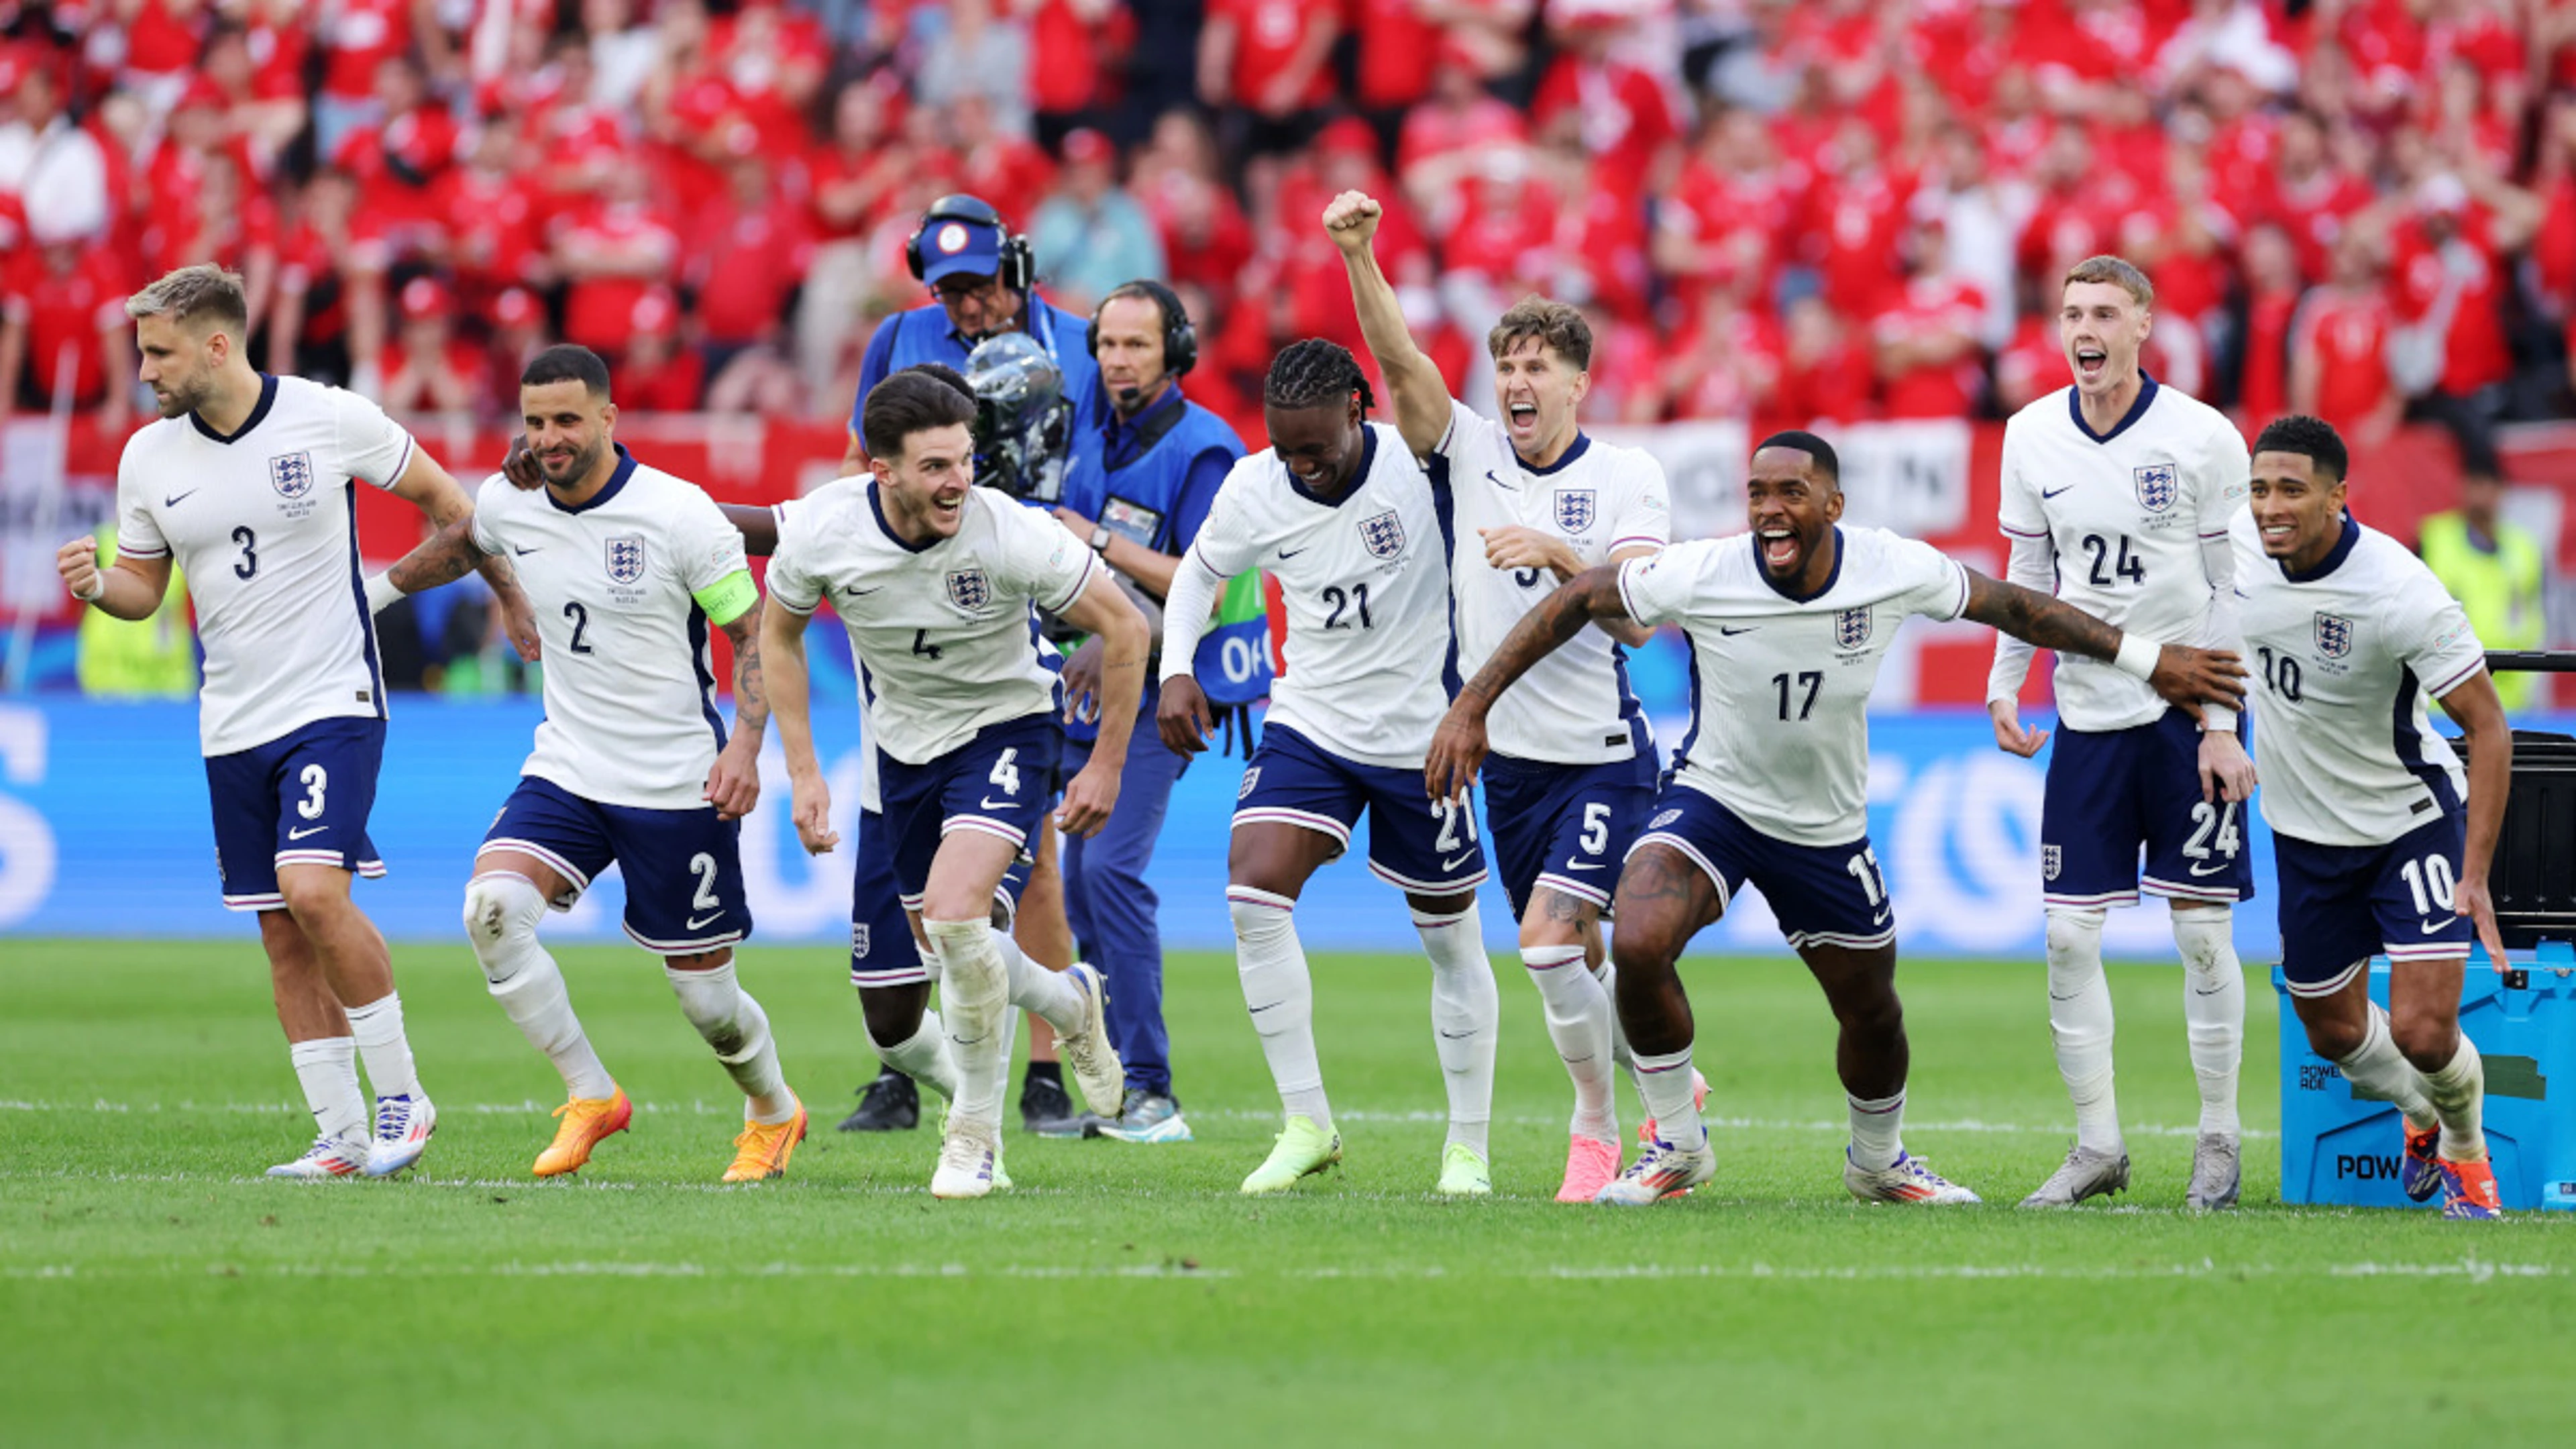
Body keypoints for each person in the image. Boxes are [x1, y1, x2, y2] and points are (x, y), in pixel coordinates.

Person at [1423, 431, 2250, 1205]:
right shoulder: (1704, 571)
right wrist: (1470, 708)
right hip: (1717, 799)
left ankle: (1878, 1161)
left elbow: (2016, 608)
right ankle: (1677, 1142)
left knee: (1872, 1011)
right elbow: (1576, 600)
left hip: (1825, 825)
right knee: (1637, 938)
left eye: (1792, 492)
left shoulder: (1890, 566)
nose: (1769, 509)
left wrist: (2151, 660)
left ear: (1833, 507)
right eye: (1756, 494)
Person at [54, 263, 535, 1179]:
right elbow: (144, 589)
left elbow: (453, 508)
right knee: (280, 928)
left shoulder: (330, 417)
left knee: (315, 891)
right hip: (231, 718)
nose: (145, 371)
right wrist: (95, 586)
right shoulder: (146, 458)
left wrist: (507, 598)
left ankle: (404, 1099)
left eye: (159, 353)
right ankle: (341, 1136)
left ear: (217, 345)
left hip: (332, 700)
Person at [368, 344, 807, 1183]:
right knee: (492, 909)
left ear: (609, 417)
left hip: (675, 779)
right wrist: (378, 597)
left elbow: (755, 639)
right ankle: (591, 1093)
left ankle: (774, 1109)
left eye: (568, 419)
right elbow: (466, 539)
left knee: (709, 1004)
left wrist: (748, 746)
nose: (549, 438)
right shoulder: (513, 498)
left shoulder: (678, 516)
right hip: (567, 766)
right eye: (535, 422)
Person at [1326, 189, 1677, 1203]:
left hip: (1605, 754)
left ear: (1578, 383)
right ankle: (1670, 1082)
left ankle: (1600, 1129)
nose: (1518, 384)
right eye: (1508, 368)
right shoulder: (1470, 450)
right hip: (1510, 766)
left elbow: (1639, 622)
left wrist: (1566, 556)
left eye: (1538, 368)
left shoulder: (1626, 475)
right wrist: (1360, 254)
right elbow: (1399, 365)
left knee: (1544, 945)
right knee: (1578, 958)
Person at [761, 369, 1145, 1198]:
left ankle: (973, 1137)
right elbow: (778, 638)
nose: (958, 482)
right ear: (883, 472)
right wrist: (803, 772)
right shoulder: (825, 532)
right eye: (935, 467)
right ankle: (1071, 1002)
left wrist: (1107, 761)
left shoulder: (1009, 531)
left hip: (1009, 725)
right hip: (902, 751)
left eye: (964, 461)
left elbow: (1126, 624)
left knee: (955, 917)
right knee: (945, 951)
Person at [1160, 339, 1503, 1198]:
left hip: (1425, 736)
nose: (1302, 467)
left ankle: (1468, 1149)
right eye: (1287, 451)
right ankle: (1307, 1122)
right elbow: (1198, 576)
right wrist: (1175, 669)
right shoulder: (1254, 486)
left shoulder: (1424, 471)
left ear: (1359, 408)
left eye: (1316, 448)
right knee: (1252, 893)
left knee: (1450, 939)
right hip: (1311, 721)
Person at [1985, 254, 2259, 1212]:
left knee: (2202, 936)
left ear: (2145, 324)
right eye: (2070, 314)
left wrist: (2223, 725)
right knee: (2067, 937)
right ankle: (2098, 1144)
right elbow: (2027, 568)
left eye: (2104, 312)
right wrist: (2005, 684)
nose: (2084, 330)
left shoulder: (2203, 438)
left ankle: (2218, 1140)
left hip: (2190, 716)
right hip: (2089, 714)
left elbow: (2234, 588)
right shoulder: (2030, 434)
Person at [841, 193, 1105, 1132]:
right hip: (915, 613)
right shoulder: (899, 339)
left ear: (1017, 269)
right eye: (948, 290)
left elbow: (1090, 473)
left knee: (1026, 860)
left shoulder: (1079, 344)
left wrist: (1091, 600)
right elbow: (857, 464)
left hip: (1027, 597)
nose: (965, 307)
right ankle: (907, 1067)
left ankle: (1037, 1073)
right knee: (906, 861)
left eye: (980, 286)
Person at [2235, 415, 2512, 1220]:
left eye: (2291, 490)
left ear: (2337, 496)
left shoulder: (2399, 592)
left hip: (2408, 821)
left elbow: (2488, 727)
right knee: (2333, 1033)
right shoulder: (2235, 550)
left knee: (2426, 1032)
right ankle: (2418, 1112)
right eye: (2258, 490)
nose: (2269, 508)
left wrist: (2476, 873)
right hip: (2304, 832)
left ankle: (2464, 1145)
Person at [1045, 280, 1254, 1143]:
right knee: (1078, 892)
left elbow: (1205, 573)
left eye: (1136, 344)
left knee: (1108, 876)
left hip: (1174, 687)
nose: (1118, 360)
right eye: (1107, 345)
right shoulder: (1090, 436)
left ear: (1175, 348)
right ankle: (1113, 1087)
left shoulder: (1207, 447)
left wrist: (1097, 546)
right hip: (1090, 684)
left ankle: (1154, 1091)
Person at [2416, 453, 2547, 714]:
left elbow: (2534, 616)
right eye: (2474, 483)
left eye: (2489, 485)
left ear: (2502, 491)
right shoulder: (2433, 538)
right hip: (2445, 696)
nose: (2481, 494)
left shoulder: (2524, 548)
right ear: (2462, 487)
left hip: (2512, 700)